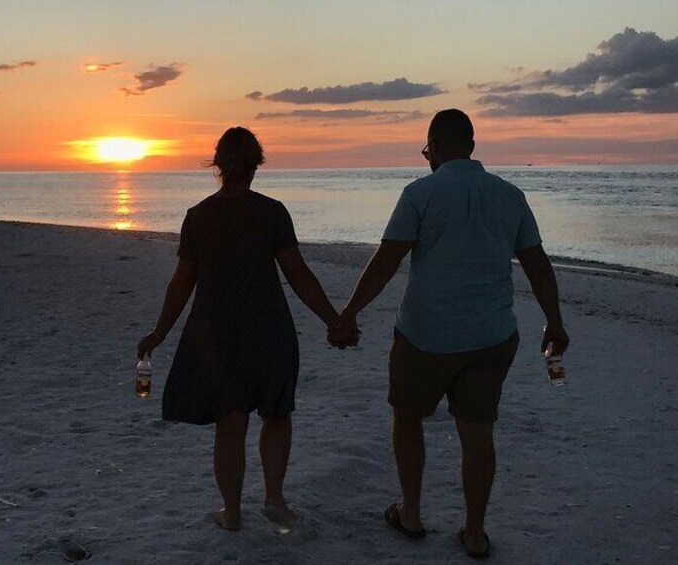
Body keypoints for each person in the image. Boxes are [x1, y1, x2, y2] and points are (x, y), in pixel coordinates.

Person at [329, 109, 569, 559]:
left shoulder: (421, 193)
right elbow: (537, 265)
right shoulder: (509, 195)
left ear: (434, 146)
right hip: (492, 335)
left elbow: (387, 262)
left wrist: (349, 313)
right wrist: (554, 322)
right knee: (478, 432)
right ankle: (475, 532)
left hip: (426, 334)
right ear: (472, 146)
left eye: (427, 150)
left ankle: (413, 513)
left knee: (407, 417)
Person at [137, 127, 342, 532]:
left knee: (231, 420)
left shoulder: (199, 216)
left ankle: (231, 511)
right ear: (256, 166)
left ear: (217, 166)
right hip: (269, 329)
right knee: (276, 413)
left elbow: (182, 281)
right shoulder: (271, 212)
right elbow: (298, 274)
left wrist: (160, 332)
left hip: (217, 333)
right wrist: (334, 320)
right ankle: (275, 502)